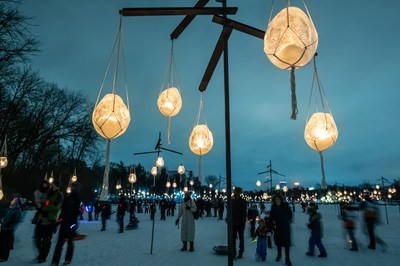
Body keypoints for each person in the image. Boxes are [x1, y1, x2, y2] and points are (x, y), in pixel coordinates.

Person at [51, 182, 81, 266]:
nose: (72, 189)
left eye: (74, 187)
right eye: (72, 187)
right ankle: (55, 261)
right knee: (59, 243)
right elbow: (63, 211)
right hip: (64, 223)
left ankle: (68, 259)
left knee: (70, 242)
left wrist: (73, 225)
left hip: (71, 223)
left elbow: (75, 213)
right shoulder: (67, 198)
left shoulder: (77, 198)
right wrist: (58, 222)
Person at [35, 181, 63, 263]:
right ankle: (41, 253)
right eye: (52, 185)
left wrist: (44, 208)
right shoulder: (48, 193)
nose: (52, 186)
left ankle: (43, 256)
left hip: (51, 219)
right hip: (41, 218)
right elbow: (41, 201)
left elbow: (56, 207)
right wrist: (39, 205)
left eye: (54, 185)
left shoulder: (59, 195)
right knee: (37, 238)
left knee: (46, 239)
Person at [0, 197, 26, 262]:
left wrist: (10, 224)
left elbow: (17, 220)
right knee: (1, 242)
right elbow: (2, 212)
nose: (12, 201)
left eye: (14, 200)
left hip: (9, 229)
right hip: (3, 228)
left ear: (16, 203)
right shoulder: (10, 208)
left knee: (6, 243)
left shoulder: (17, 210)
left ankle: (4, 257)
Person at [270, 194, 292, 266]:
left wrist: (288, 220)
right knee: (278, 242)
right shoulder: (273, 207)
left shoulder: (285, 205)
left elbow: (290, 214)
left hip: (285, 227)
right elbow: (271, 216)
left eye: (278, 199)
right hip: (278, 227)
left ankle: (287, 258)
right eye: (275, 199)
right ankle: (279, 255)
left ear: (280, 199)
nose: (277, 200)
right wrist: (273, 221)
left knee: (286, 243)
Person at [232, 187, 247, 259]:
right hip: (234, 222)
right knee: (234, 238)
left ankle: (240, 252)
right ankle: (234, 252)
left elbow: (244, 213)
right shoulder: (232, 201)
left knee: (240, 238)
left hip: (239, 222)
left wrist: (242, 221)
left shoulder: (242, 201)